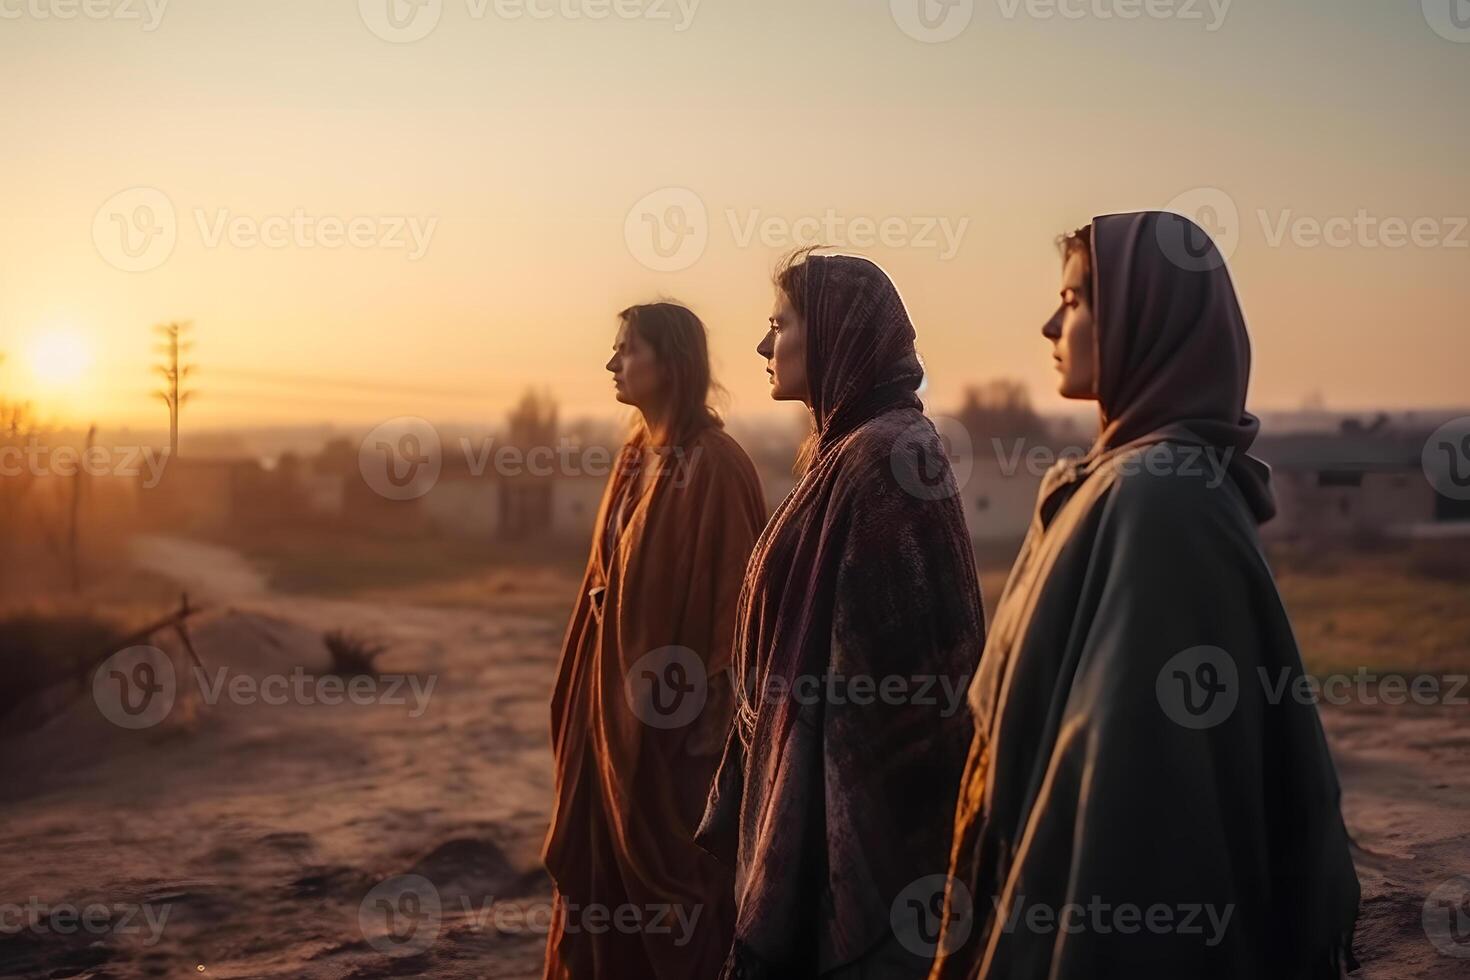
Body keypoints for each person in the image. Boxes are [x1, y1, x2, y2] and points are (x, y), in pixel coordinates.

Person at [928, 212, 1360, 979]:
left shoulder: (1160, 502)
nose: (1050, 323)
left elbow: (1132, 806)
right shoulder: (1128, 481)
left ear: (1145, 323)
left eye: (1075, 301)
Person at [697, 252, 987, 978]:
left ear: (834, 332)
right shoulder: (846, 452)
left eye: (779, 324)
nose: (765, 346)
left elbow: (899, 681)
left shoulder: (889, 458)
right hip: (815, 785)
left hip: (860, 806)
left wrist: (827, 813)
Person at [542, 302, 767, 980]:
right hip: (610, 735)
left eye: (628, 350)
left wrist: (705, 741)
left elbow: (740, 616)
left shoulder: (718, 468)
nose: (613, 362)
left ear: (671, 364)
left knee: (683, 918)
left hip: (677, 752)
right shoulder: (635, 459)